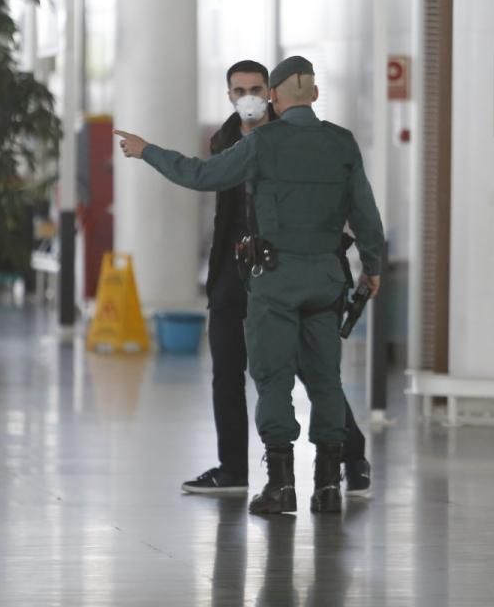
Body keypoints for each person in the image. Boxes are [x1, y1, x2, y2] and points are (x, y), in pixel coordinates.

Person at [116, 55, 384, 515]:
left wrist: (148, 151)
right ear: (315, 94)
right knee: (324, 378)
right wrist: (373, 267)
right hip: (326, 280)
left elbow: (200, 175)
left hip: (275, 282)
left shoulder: (264, 144)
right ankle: (327, 485)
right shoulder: (342, 143)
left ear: (275, 98)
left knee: (274, 376)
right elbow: (365, 212)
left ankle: (280, 487)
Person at [181, 59, 372, 499]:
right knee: (227, 369)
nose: (247, 95)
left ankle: (352, 452)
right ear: (229, 94)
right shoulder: (224, 139)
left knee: (310, 368)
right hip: (235, 269)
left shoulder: (294, 136)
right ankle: (233, 468)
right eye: (238, 89)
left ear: (272, 92)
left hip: (285, 269)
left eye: (256, 87)